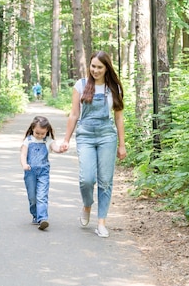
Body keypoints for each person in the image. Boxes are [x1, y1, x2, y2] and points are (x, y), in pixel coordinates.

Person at [60, 51, 126, 238]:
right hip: (86, 136)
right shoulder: (81, 86)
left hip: (107, 136)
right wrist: (66, 139)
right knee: (86, 179)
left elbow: (119, 118)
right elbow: (74, 114)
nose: (95, 70)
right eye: (93, 66)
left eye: (99, 67)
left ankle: (101, 222)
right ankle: (87, 204)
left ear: (107, 69)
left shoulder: (114, 89)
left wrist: (122, 145)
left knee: (105, 181)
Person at [20, 116, 65, 230]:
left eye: (42, 133)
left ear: (47, 131)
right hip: (30, 172)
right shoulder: (28, 140)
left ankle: (42, 218)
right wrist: (24, 164)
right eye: (37, 133)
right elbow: (23, 154)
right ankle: (35, 215)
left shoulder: (48, 140)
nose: (40, 136)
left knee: (42, 196)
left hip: (43, 172)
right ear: (32, 129)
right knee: (32, 197)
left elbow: (55, 148)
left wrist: (61, 149)